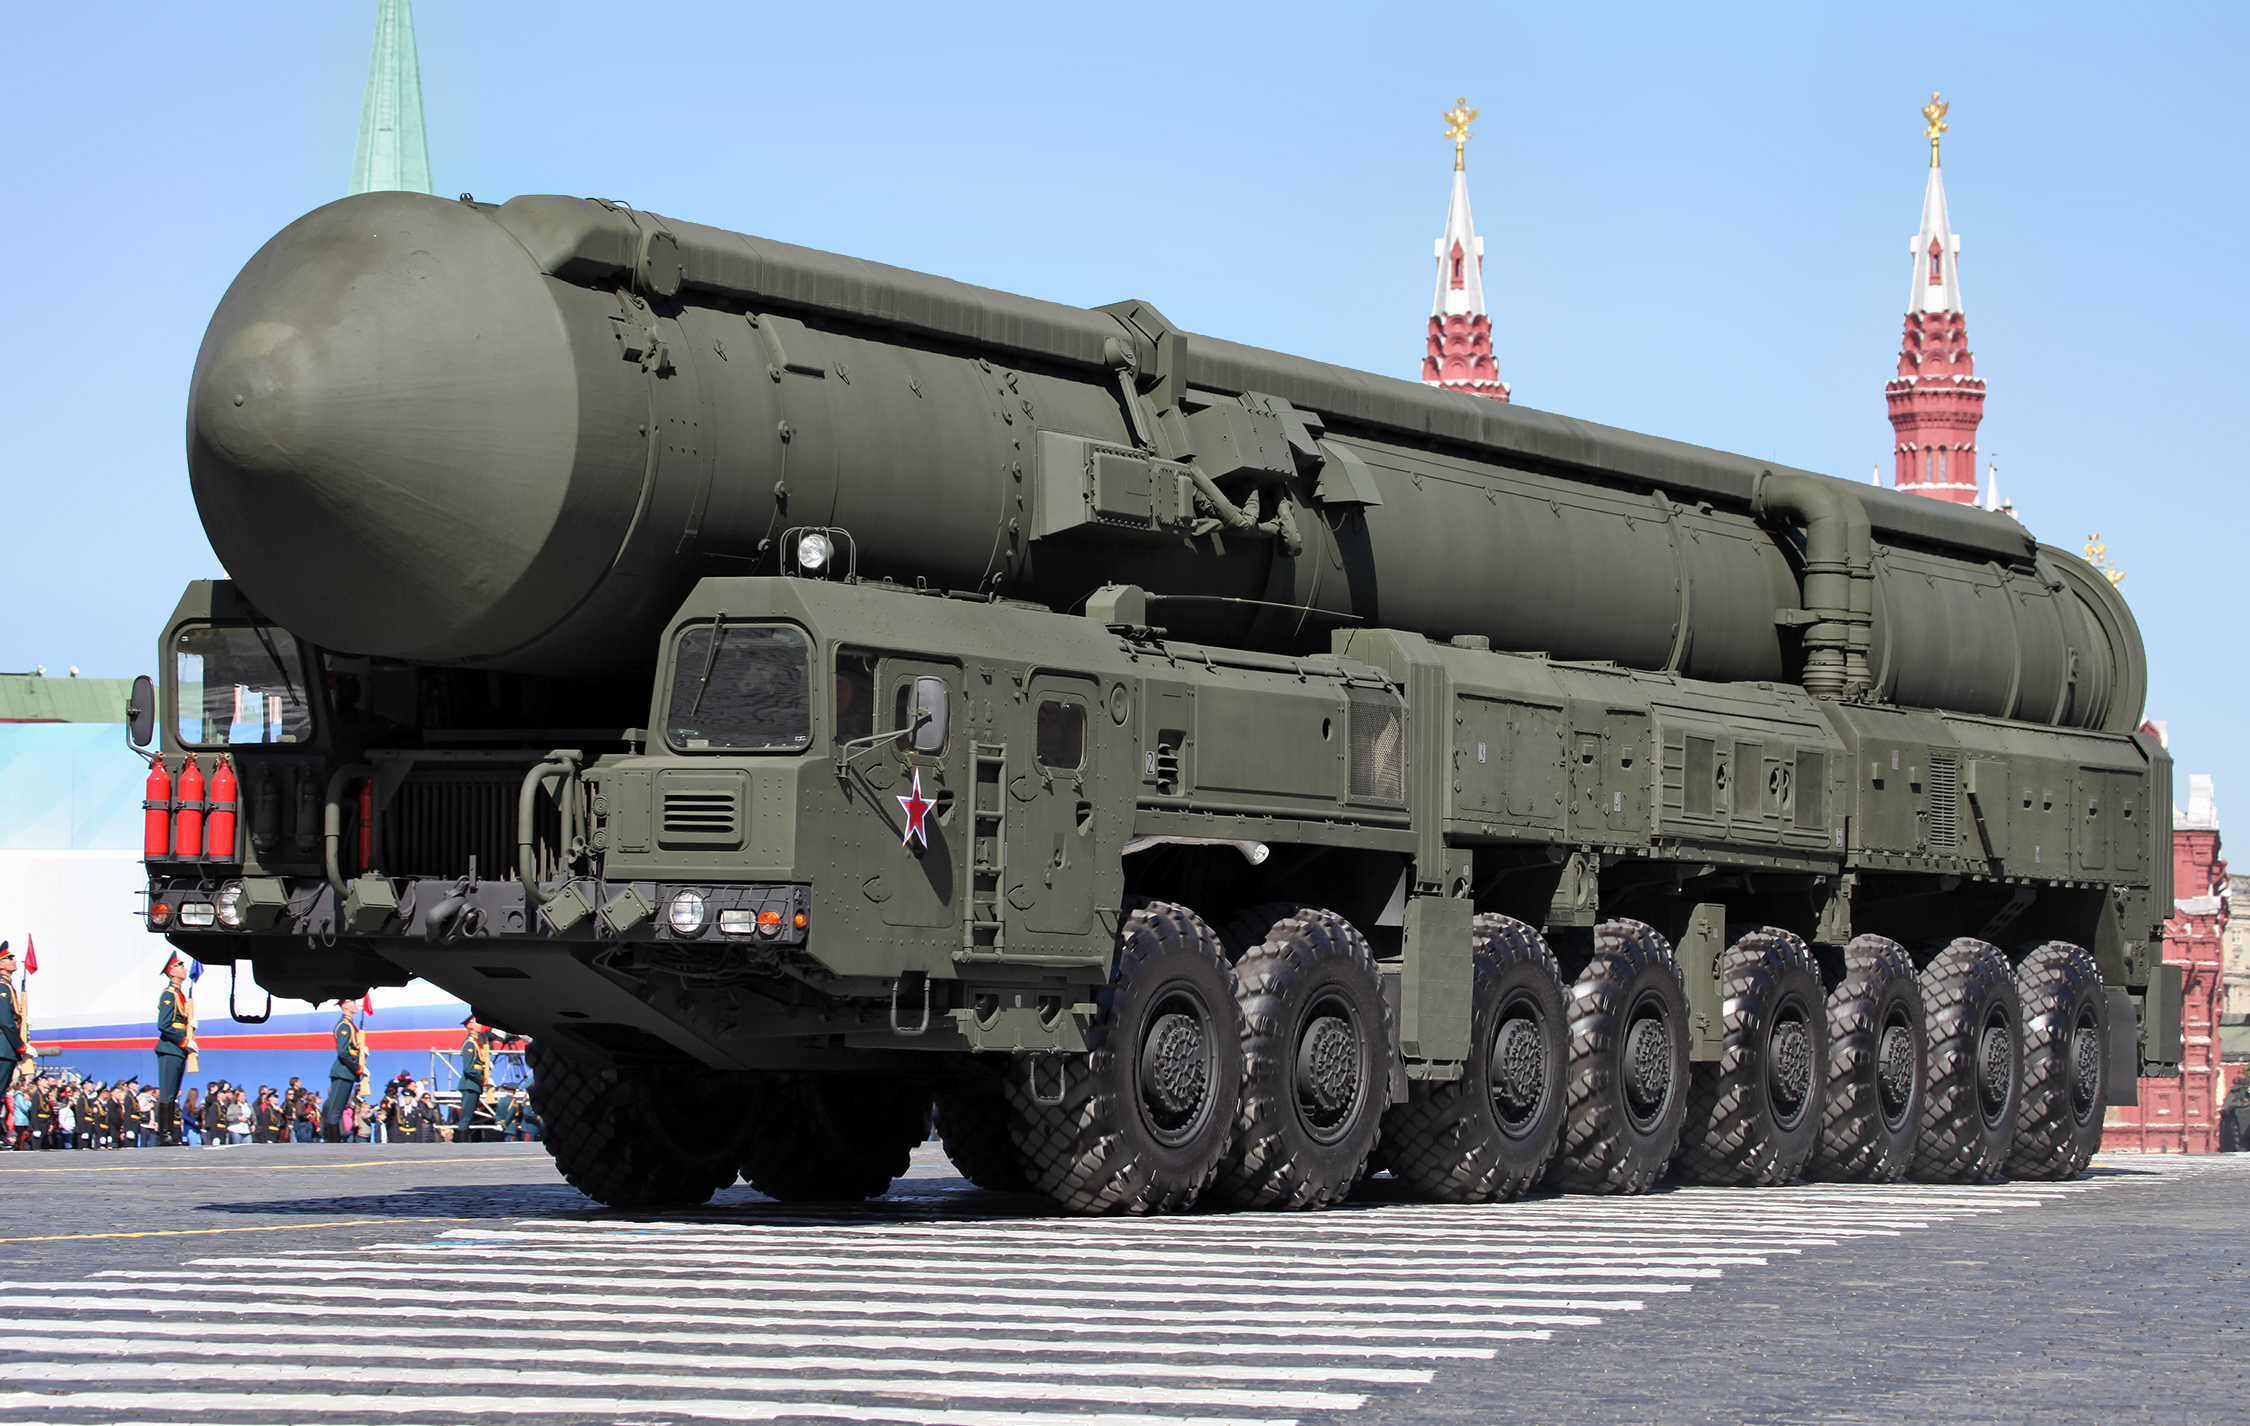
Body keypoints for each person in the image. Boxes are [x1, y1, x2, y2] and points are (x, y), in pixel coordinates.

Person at [153, 953, 196, 1146]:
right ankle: (164, 1134)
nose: (185, 970)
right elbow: (164, 1025)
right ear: (172, 972)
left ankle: (169, 1132)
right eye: (181, 967)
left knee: (173, 1092)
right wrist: (184, 1040)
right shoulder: (169, 995)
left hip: (177, 1048)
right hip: (170, 1047)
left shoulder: (179, 994)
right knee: (167, 1093)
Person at [325, 1001, 367, 1143]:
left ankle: (334, 1142)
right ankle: (332, 1142)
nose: (356, 1005)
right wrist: (357, 1067)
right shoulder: (344, 1025)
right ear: (345, 1006)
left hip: (347, 1073)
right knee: (336, 1110)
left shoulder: (349, 1024)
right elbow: (343, 1051)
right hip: (343, 1072)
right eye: (353, 1002)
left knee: (339, 1108)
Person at [456, 1016, 493, 1145]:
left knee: (469, 1115)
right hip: (470, 1084)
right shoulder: (470, 1044)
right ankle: (461, 1141)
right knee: (466, 1116)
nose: (480, 1025)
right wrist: (483, 1080)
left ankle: (463, 1140)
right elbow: (468, 1068)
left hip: (474, 1084)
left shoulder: (476, 1043)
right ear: (471, 1026)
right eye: (477, 1023)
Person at [0, 945, 27, 1098]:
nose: (14, 961)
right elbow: (5, 1020)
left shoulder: (7, 986)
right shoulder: (2, 987)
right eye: (9, 958)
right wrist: (20, 1045)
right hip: (4, 1049)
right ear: (1, 965)